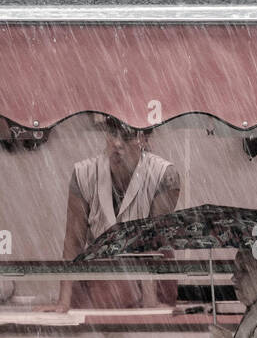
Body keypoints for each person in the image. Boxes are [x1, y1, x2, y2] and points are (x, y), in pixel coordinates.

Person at [45, 116, 181, 311]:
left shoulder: (165, 176)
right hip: (101, 274)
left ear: (143, 139)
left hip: (153, 276)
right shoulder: (83, 174)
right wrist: (63, 302)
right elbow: (73, 242)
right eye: (112, 134)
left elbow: (154, 243)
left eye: (127, 137)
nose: (117, 143)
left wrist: (150, 303)